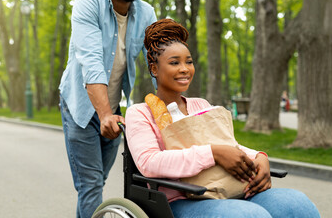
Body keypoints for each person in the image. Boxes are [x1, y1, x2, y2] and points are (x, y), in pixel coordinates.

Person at [125, 19, 320, 218]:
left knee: (298, 205)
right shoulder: (140, 113)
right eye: (174, 62)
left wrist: (259, 156)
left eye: (189, 62)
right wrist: (213, 153)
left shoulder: (201, 105)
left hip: (229, 188)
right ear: (154, 69)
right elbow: (150, 163)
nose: (184, 69)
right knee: (251, 215)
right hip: (180, 200)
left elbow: (229, 144)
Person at [58, 0, 156, 217]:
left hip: (113, 109)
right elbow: (91, 63)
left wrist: (173, 112)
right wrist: (104, 115)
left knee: (98, 179)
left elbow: (157, 62)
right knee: (90, 186)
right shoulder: (88, 4)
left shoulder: (146, 13)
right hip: (80, 108)